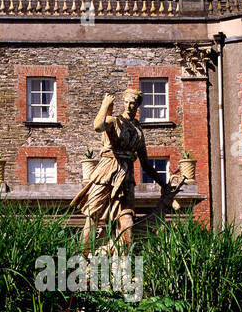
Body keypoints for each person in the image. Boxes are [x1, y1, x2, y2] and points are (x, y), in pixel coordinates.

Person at [71, 89, 180, 251]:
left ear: (138, 105)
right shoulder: (114, 120)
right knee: (92, 216)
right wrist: (105, 105)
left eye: (133, 103)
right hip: (106, 172)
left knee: (127, 220)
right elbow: (97, 126)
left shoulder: (138, 131)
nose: (129, 106)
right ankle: (83, 256)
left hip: (126, 177)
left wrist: (162, 184)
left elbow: (146, 163)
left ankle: (125, 262)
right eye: (126, 102)